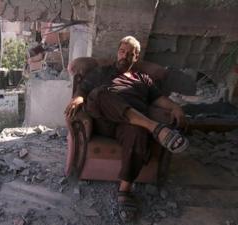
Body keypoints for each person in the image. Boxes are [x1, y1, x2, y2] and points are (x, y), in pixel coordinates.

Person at [64, 36, 189, 222]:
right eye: (122, 51)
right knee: (100, 93)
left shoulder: (143, 79)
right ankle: (156, 128)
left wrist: (175, 107)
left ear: (136, 57)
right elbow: (84, 89)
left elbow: (158, 99)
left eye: (130, 54)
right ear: (117, 52)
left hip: (130, 124)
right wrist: (78, 98)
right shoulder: (102, 72)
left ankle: (125, 190)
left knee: (138, 132)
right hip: (103, 118)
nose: (125, 56)